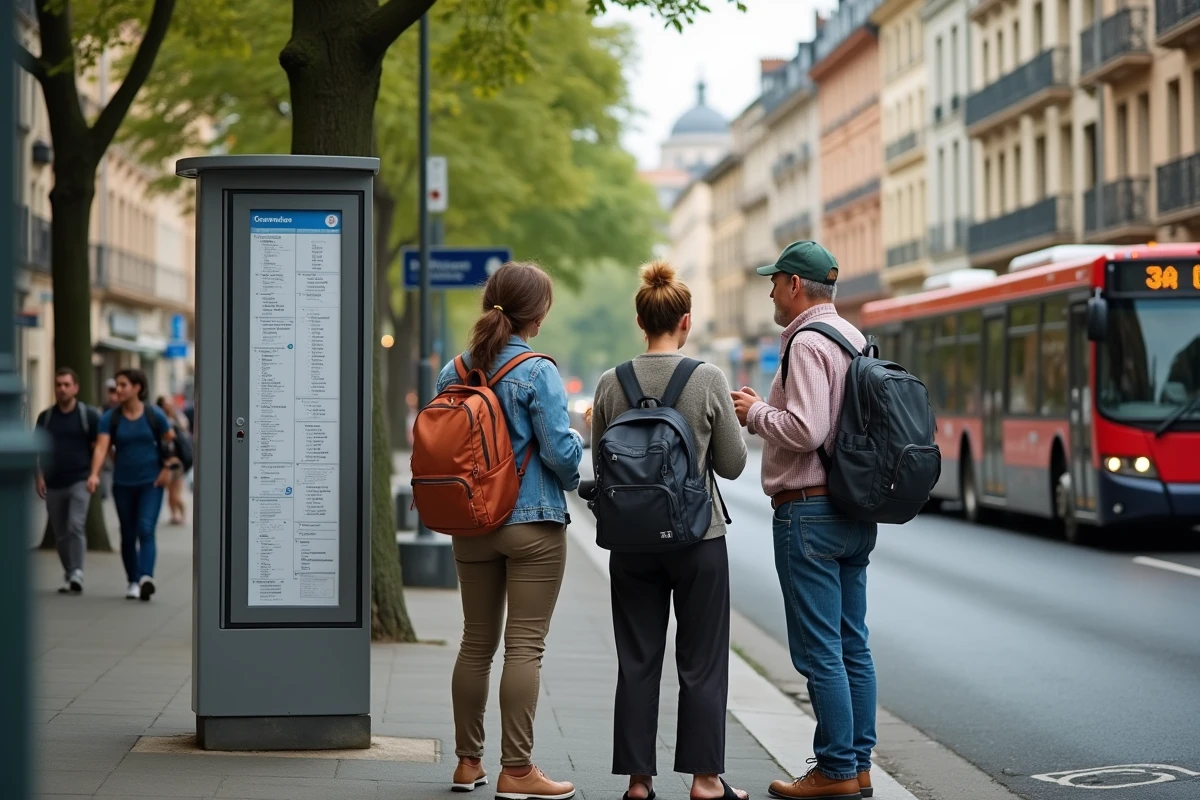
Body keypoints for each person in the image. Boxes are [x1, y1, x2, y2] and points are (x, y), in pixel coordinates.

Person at [589, 262, 749, 800]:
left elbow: (601, 463)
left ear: (640, 319)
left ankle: (639, 781)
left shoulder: (612, 382)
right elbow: (731, 465)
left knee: (637, 659)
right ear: (685, 321)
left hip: (631, 543)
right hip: (699, 538)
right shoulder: (707, 379)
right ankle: (705, 780)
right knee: (701, 660)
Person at [730, 241, 878, 800]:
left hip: (809, 510)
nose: (769, 290)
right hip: (852, 507)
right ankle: (859, 763)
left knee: (819, 649)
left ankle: (836, 769)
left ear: (795, 285)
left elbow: (808, 429)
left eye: (775, 281)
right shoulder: (852, 338)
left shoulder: (807, 343)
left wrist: (755, 413)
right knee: (851, 643)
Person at [437, 261, 583, 800]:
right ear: (536, 314)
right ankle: (516, 770)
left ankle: (467, 763)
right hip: (532, 524)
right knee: (525, 645)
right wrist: (576, 461)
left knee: (476, 641)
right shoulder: (537, 370)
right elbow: (559, 453)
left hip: (469, 522)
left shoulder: (452, 371)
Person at [87, 369, 175, 601]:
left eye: (123, 385)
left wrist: (167, 469)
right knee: (128, 533)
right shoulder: (110, 418)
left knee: (145, 528)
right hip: (123, 484)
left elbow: (170, 442)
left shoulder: (155, 415)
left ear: (137, 387)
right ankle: (133, 581)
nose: (119, 389)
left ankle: (146, 577)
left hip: (151, 483)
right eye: (117, 385)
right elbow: (101, 447)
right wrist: (94, 474)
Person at [34, 368, 101, 594]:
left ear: (76, 388)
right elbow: (38, 450)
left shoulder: (88, 416)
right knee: (60, 533)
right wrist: (39, 476)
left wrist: (94, 474)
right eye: (58, 385)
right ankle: (70, 572)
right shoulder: (46, 417)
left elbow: (99, 447)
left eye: (66, 385)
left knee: (75, 525)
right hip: (53, 482)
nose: (61, 389)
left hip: (80, 480)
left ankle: (78, 573)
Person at [156, 396, 190, 524]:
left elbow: (184, 433)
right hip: (165, 462)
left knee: (175, 494)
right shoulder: (158, 420)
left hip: (176, 462)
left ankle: (182, 515)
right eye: (166, 404)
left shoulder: (177, 420)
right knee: (170, 494)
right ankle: (174, 515)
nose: (169, 406)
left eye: (170, 403)